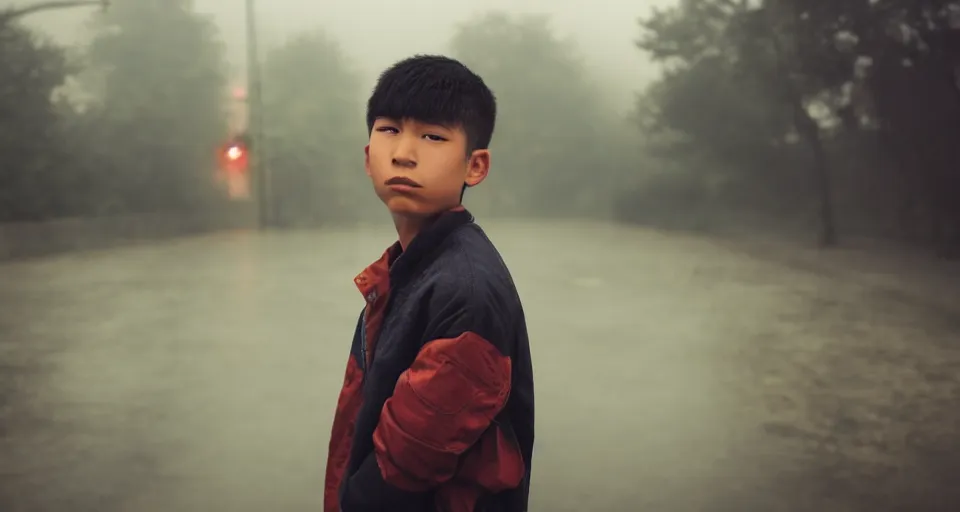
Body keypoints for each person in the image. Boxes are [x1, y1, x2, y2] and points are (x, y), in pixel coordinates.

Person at [323, 55, 535, 512]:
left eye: (433, 136)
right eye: (389, 130)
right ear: (367, 156)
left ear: (475, 166)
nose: (403, 152)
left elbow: (401, 470)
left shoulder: (465, 292)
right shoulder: (410, 269)